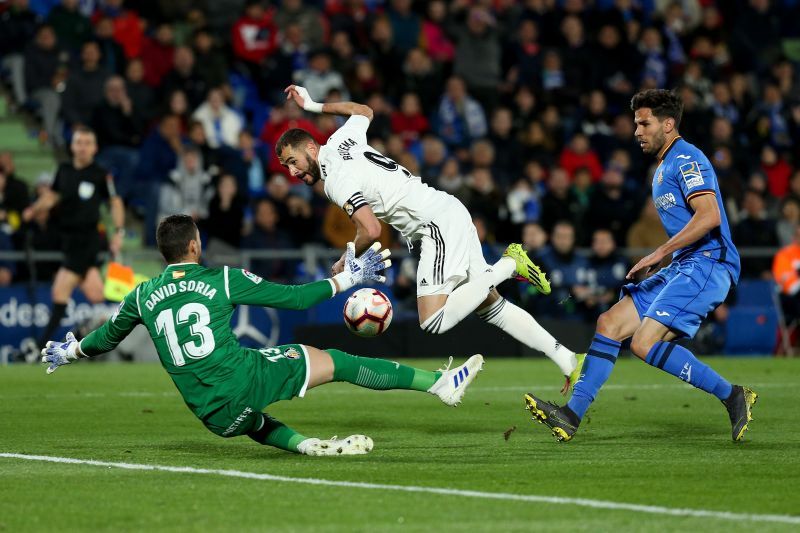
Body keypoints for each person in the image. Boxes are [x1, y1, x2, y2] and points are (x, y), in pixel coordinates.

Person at [40, 215, 484, 456]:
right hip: (244, 379)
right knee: (337, 361)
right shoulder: (222, 280)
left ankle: (306, 445)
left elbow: (105, 338)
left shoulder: (141, 296)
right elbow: (293, 299)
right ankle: (439, 385)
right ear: (194, 246)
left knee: (249, 418)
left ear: (164, 253)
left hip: (211, 417)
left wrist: (71, 350)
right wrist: (347, 280)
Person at [276, 85, 584, 392]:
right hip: (448, 210)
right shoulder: (341, 140)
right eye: (286, 166)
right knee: (490, 306)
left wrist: (347, 257)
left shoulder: (335, 181)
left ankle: (508, 264)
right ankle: (568, 360)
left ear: (311, 149)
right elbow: (363, 111)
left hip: (434, 225)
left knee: (432, 320)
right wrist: (314, 105)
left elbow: (369, 229)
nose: (292, 172)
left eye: (293, 161)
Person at [524, 89, 758, 443]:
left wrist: (656, 253)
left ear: (668, 124)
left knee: (644, 343)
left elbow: (709, 216)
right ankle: (571, 415)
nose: (637, 131)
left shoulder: (688, 159)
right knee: (610, 322)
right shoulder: (662, 168)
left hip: (708, 264)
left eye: (644, 123)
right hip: (684, 265)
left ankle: (732, 395)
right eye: (636, 123)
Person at [21, 126, 125, 361]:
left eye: (88, 143)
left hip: (88, 240)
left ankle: (42, 351)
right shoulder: (64, 170)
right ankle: (89, 336)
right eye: (79, 142)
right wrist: (33, 209)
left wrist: (118, 232)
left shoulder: (100, 174)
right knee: (96, 294)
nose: (83, 147)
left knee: (60, 291)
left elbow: (115, 203)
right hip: (68, 241)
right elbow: (52, 196)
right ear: (72, 146)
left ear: (95, 148)